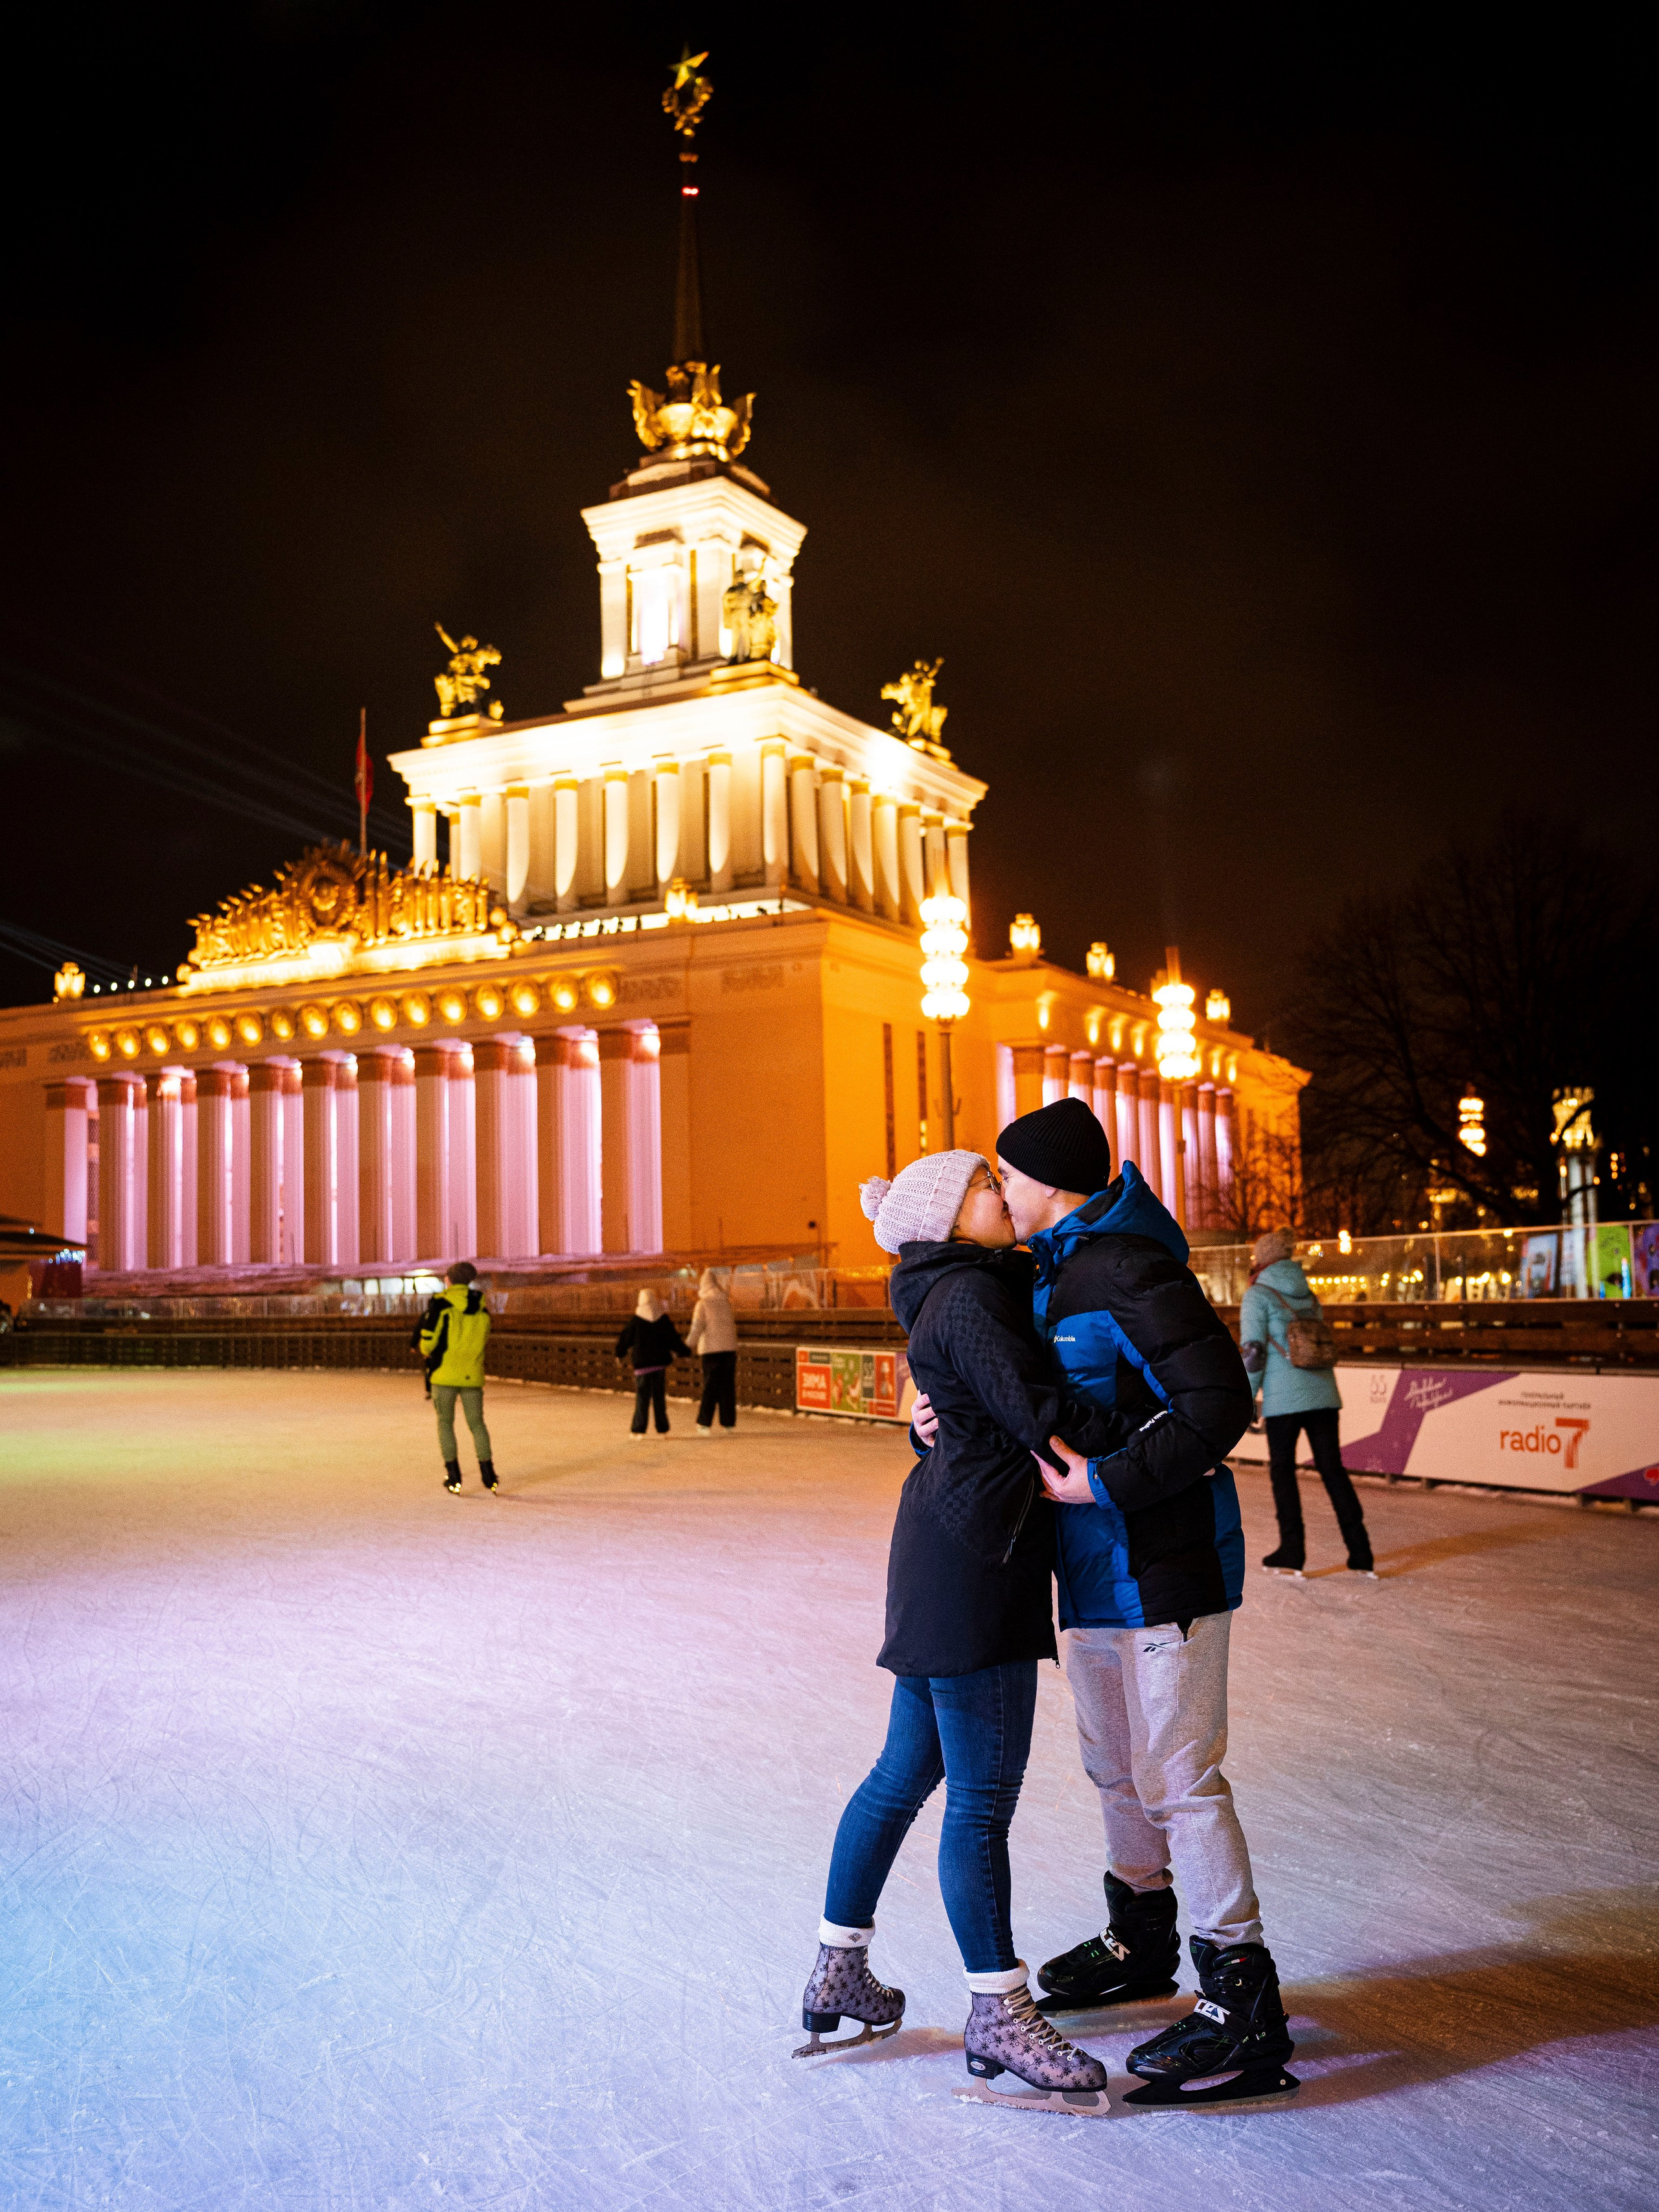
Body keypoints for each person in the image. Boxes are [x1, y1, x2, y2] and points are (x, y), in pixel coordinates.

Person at [912, 1097, 1297, 2108]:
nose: (1000, 1191)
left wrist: (1107, 1481)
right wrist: (932, 1415)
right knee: (1115, 1766)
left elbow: (1219, 1403)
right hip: (1083, 1569)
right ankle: (1141, 1936)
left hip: (1164, 1562)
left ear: (1048, 1183)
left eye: (1007, 1175)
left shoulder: (1129, 1267)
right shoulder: (1038, 1277)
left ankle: (1242, 1996)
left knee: (1178, 1774)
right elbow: (1010, 1398)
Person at [797, 1149, 1122, 2117]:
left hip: (944, 1548)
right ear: (947, 1217)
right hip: (978, 1562)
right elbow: (1035, 1411)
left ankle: (838, 1968)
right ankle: (998, 2011)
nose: (999, 1192)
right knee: (978, 1805)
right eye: (984, 1183)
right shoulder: (973, 1296)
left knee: (901, 1774)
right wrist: (1161, 1423)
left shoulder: (950, 1289)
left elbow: (974, 1404)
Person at [1240, 1228, 1373, 1576]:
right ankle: (1361, 1550)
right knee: (1332, 1470)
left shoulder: (1258, 1295)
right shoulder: (1308, 1293)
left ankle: (1292, 1549)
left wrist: (1247, 1397)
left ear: (1262, 1261)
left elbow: (1253, 1352)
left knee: (1283, 1471)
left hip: (1285, 1398)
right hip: (1324, 1393)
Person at [418, 1262, 498, 1496]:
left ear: (449, 1280)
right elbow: (484, 1339)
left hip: (444, 1375)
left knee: (445, 1423)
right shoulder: (482, 1309)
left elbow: (429, 1339)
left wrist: (425, 1349)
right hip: (472, 1374)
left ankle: (454, 1476)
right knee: (477, 1424)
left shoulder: (441, 1304)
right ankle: (489, 1475)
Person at [614, 1290, 691, 1438]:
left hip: (642, 1366)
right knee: (659, 1398)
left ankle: (638, 1430)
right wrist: (684, 1352)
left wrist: (619, 1353)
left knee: (642, 1399)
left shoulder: (636, 1321)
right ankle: (663, 1429)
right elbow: (673, 1339)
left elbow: (625, 1339)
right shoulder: (662, 1319)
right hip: (659, 1366)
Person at [688, 1268, 738, 1436]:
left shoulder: (703, 1304)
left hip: (711, 1352)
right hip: (729, 1350)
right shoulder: (726, 1301)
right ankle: (728, 1423)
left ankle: (704, 1424)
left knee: (710, 1388)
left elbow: (697, 1328)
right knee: (727, 1388)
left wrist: (688, 1345)